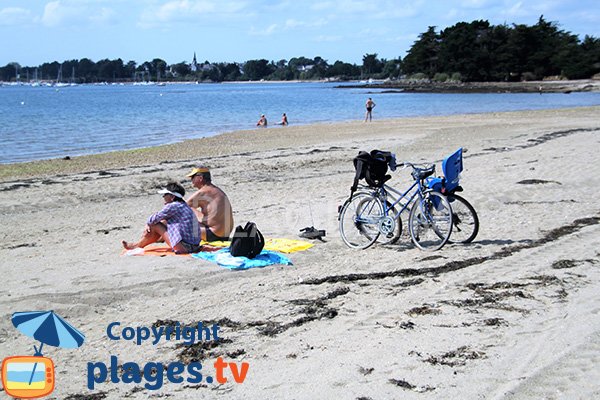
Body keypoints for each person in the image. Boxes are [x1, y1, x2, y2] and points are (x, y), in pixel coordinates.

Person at [122, 182, 201, 254]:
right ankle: (138, 244)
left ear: (172, 197)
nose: (163, 196)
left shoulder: (172, 206)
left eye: (165, 195)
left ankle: (137, 245)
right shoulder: (182, 204)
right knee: (161, 222)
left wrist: (148, 224)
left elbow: (152, 219)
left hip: (186, 247)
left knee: (154, 225)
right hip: (195, 246)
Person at [186, 166, 234, 242]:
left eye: (193, 177)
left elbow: (180, 207)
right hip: (225, 234)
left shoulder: (203, 192)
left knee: (178, 223)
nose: (191, 180)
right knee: (191, 210)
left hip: (214, 234)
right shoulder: (216, 190)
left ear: (200, 178)